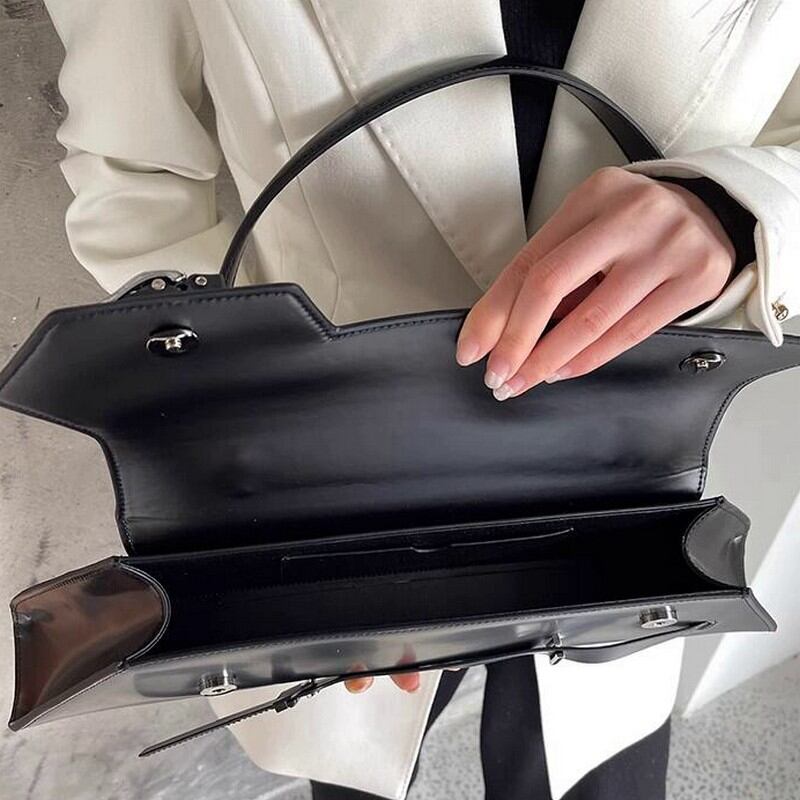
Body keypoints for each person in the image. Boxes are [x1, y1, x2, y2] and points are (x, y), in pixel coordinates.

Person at [43, 1, 800, 798]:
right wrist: (241, 409)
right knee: (362, 763)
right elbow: (133, 173)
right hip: (333, 502)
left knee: (600, 762)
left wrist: (738, 208)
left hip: (628, 479)